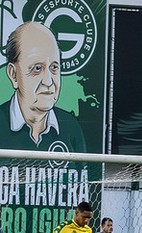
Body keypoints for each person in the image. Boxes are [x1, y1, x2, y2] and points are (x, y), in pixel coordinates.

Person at [1, 22, 86, 151]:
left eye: (54, 68)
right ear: (13, 74)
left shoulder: (71, 127)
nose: (48, 81)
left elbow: (87, 171)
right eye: (37, 68)